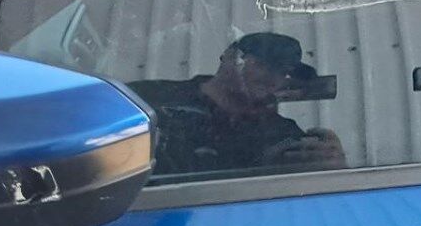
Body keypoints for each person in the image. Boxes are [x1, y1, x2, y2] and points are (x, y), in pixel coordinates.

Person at [129, 32, 346, 176]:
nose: (273, 78)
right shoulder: (150, 98)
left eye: (283, 72)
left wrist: (333, 167)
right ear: (229, 56)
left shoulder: (284, 134)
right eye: (263, 65)